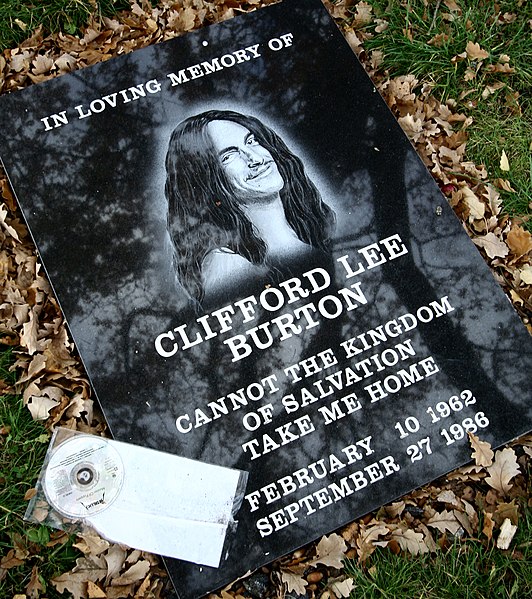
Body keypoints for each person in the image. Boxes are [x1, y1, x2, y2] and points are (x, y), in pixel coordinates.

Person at [164, 110, 335, 305]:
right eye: (229, 156)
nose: (256, 159)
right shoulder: (229, 264)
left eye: (252, 141)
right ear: (207, 180)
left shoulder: (308, 233)